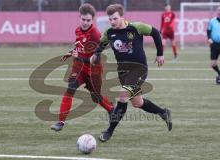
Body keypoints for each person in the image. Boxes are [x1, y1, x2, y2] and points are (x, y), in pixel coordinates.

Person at [90, 4, 172, 142]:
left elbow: (156, 33)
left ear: (122, 17)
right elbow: (100, 47)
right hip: (123, 72)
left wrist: (160, 54)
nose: (112, 22)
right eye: (110, 19)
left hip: (139, 69)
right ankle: (163, 113)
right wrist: (95, 55)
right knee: (137, 103)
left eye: (115, 18)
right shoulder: (109, 33)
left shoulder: (136, 27)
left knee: (122, 96)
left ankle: (109, 132)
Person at [51, 3, 114, 131]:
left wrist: (79, 57)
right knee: (70, 88)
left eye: (88, 20)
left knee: (95, 96)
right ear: (79, 17)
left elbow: (95, 57)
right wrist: (70, 54)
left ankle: (112, 109)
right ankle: (60, 122)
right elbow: (79, 47)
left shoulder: (95, 34)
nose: (85, 22)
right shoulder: (77, 30)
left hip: (93, 70)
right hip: (78, 68)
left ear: (92, 20)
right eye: (83, 19)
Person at [207, 6, 220, 85]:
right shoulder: (212, 21)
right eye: (218, 10)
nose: (219, 11)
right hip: (214, 44)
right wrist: (209, 38)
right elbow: (208, 31)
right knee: (213, 64)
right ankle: (219, 74)